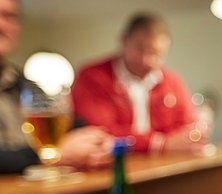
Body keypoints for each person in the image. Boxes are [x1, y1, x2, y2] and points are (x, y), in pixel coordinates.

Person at [0, 0, 112, 174]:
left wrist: (95, 143)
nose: (1, 24)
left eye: (9, 16)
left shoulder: (23, 83)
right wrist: (51, 155)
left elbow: (69, 125)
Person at [71, 13, 209, 154]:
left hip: (165, 167)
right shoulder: (92, 77)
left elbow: (188, 127)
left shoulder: (172, 81)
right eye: (140, 49)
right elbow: (99, 132)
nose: (146, 60)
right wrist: (159, 144)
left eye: (156, 53)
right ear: (123, 41)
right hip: (110, 166)